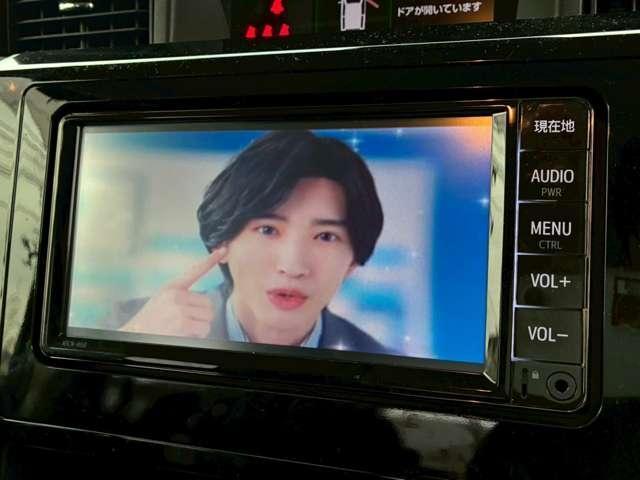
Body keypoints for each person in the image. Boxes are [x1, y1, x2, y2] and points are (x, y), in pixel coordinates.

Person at [117, 130, 388, 354]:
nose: (292, 267)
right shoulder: (128, 325)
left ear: (352, 262)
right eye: (268, 230)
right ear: (222, 241)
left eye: (326, 236)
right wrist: (134, 341)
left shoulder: (377, 362)